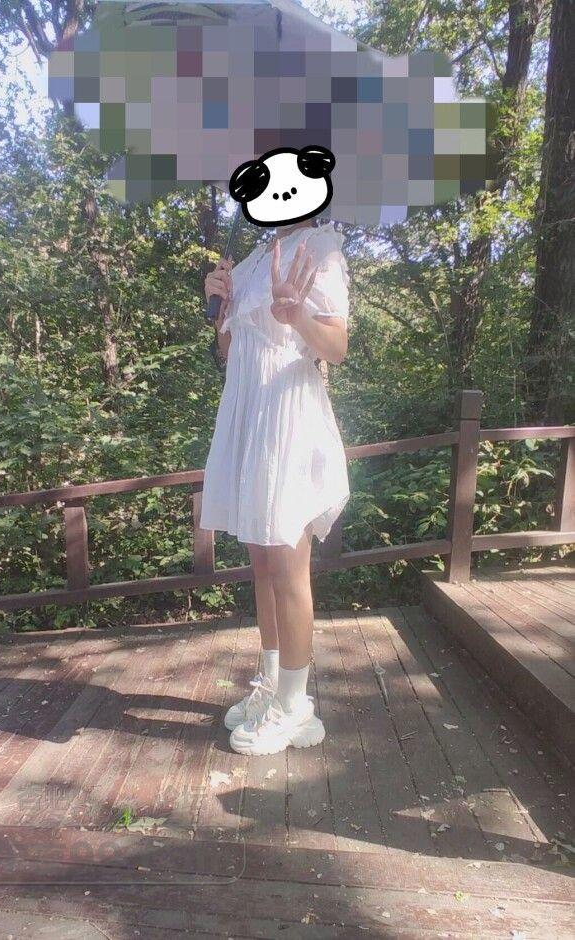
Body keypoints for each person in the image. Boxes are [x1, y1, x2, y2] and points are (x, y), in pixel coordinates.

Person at [200, 215, 350, 757]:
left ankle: (293, 705)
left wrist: (297, 317)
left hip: (288, 416)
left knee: (287, 564)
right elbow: (228, 351)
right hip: (246, 416)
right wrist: (219, 307)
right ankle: (271, 685)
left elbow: (336, 346)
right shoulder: (248, 263)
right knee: (261, 562)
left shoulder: (321, 248)